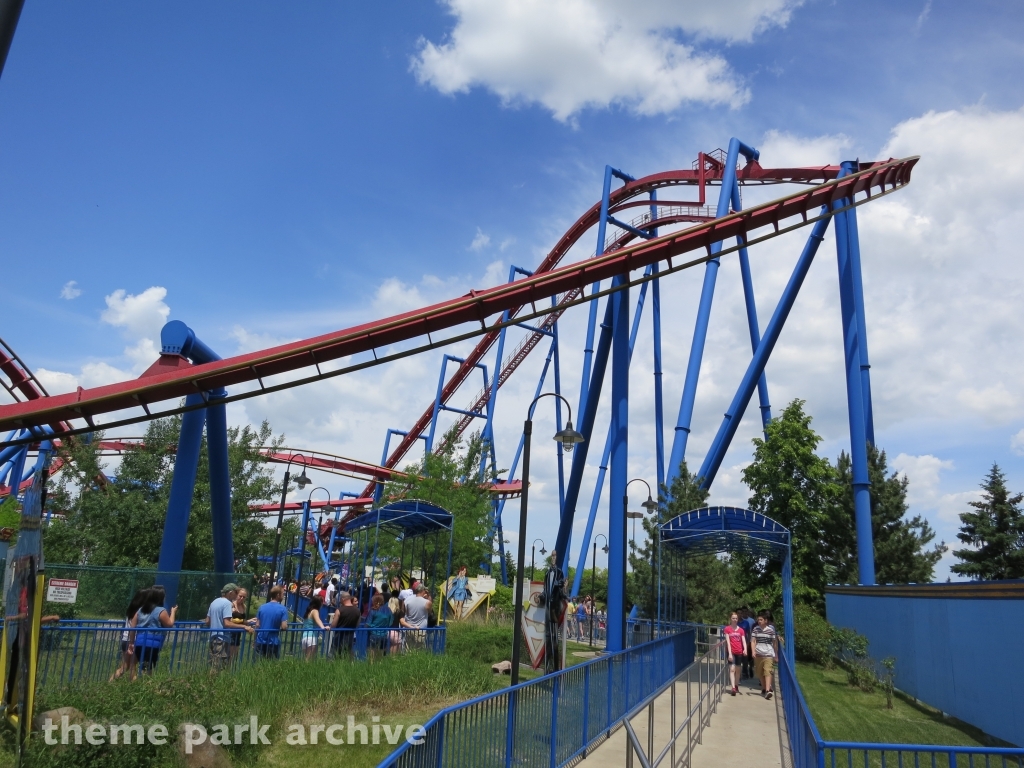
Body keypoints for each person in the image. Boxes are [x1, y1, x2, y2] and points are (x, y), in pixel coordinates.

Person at [130, 586, 177, 675]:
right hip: (152, 644)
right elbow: (169, 624)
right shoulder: (161, 611)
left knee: (140, 666)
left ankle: (136, 684)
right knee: (147, 669)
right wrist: (173, 612)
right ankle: (144, 686)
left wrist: (131, 642)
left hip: (139, 642)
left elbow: (132, 627)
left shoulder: (140, 610)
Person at [111, 588, 150, 681]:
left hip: (125, 639)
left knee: (125, 666)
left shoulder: (131, 610)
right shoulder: (140, 612)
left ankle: (110, 682)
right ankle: (133, 686)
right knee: (132, 667)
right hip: (134, 641)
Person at [206, 583, 238, 671]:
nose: (236, 594)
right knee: (222, 666)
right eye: (236, 592)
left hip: (213, 638)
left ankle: (210, 682)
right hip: (222, 639)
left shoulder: (214, 602)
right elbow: (227, 623)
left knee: (213, 664)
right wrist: (244, 626)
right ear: (230, 593)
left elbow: (207, 621)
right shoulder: (227, 603)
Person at [253, 585, 290, 659]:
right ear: (278, 595)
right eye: (283, 594)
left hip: (260, 640)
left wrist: (254, 640)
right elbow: (284, 626)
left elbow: (257, 625)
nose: (283, 596)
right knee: (272, 663)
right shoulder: (282, 609)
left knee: (258, 663)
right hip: (273, 641)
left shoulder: (262, 607)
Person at [751, 610, 779, 699]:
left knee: (767, 671)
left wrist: (776, 654)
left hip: (768, 654)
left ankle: (767, 690)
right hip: (759, 654)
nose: (759, 621)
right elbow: (753, 641)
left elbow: (774, 643)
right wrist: (753, 651)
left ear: (765, 621)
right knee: (759, 673)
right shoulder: (756, 629)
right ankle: (764, 688)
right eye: (758, 620)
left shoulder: (771, 630)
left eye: (761, 620)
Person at [329, 591, 361, 658]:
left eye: (340, 599)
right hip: (350, 637)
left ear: (343, 599)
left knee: (333, 656)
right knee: (347, 657)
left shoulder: (339, 610)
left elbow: (333, 625)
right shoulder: (357, 611)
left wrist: (330, 626)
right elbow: (357, 624)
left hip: (339, 637)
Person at [227, 587, 255, 664]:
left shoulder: (244, 606)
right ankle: (227, 671)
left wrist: (249, 621)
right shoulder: (231, 605)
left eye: (244, 597)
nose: (242, 598)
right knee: (230, 655)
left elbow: (242, 621)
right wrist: (245, 621)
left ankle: (232, 672)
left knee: (235, 655)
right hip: (231, 632)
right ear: (236, 595)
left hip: (238, 633)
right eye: (240, 596)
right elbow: (230, 620)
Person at [723, 612, 747, 696]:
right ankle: (733, 687)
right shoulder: (727, 629)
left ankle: (736, 685)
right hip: (731, 651)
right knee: (732, 669)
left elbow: (743, 640)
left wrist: (745, 649)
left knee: (738, 669)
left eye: (736, 618)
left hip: (739, 651)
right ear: (730, 619)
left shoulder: (741, 630)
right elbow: (728, 642)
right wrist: (729, 653)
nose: (735, 620)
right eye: (733, 618)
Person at [366, 594, 392, 660]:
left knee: (372, 654)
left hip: (373, 634)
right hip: (384, 634)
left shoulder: (373, 610)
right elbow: (390, 622)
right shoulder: (388, 610)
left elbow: (368, 624)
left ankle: (371, 668)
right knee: (381, 654)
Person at [301, 595, 327, 660]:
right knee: (309, 660)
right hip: (311, 637)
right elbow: (317, 620)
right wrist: (323, 627)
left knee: (307, 659)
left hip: (305, 637)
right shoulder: (315, 611)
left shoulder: (308, 611)